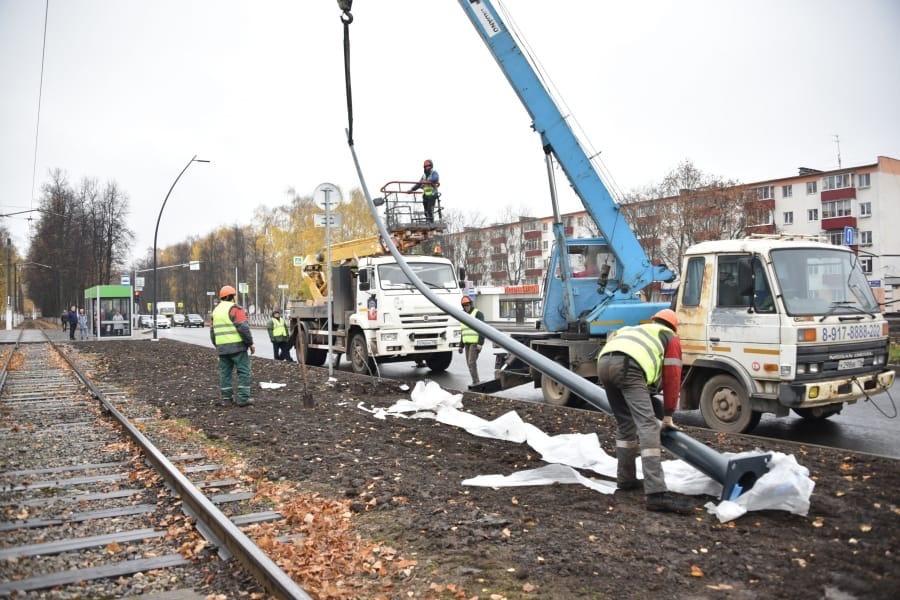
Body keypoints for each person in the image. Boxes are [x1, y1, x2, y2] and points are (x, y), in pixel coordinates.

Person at [596, 308, 693, 514]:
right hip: (628, 366)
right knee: (648, 425)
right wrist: (668, 414)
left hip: (603, 363)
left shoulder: (638, 329)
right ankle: (656, 494)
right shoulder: (670, 337)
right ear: (674, 326)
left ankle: (626, 479)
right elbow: (673, 377)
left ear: (654, 320)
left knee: (625, 424)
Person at [210, 286, 255, 406]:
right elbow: (243, 328)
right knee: (244, 372)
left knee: (225, 374)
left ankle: (226, 399)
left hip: (222, 349)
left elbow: (212, 332)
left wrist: (218, 346)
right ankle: (243, 399)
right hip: (238, 348)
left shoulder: (216, 311)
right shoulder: (235, 309)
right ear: (232, 296)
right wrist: (250, 343)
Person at [458, 295, 484, 386]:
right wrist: (461, 345)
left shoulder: (478, 314)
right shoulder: (462, 315)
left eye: (467, 305)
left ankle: (476, 382)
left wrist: (480, 344)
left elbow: (482, 329)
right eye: (464, 305)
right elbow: (463, 331)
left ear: (471, 304)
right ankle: (475, 381)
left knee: (471, 362)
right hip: (466, 344)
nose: (466, 307)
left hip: (475, 343)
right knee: (469, 364)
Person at [408, 159, 440, 223]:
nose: (426, 167)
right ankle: (428, 220)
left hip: (432, 194)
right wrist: (412, 189)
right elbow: (419, 184)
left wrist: (428, 181)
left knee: (429, 209)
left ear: (431, 166)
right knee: (426, 210)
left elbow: (435, 178)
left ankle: (430, 222)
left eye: (428, 166)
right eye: (425, 166)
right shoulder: (424, 176)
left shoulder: (434, 173)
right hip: (426, 195)